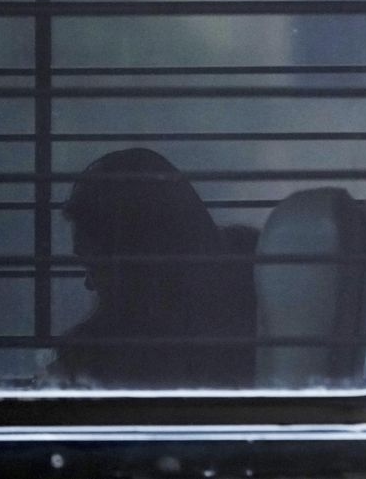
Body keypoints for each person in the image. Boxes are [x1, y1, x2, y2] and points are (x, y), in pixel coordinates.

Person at [46, 148, 255, 389]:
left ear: (133, 266)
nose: (89, 284)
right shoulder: (251, 327)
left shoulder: (102, 366)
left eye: (94, 267)